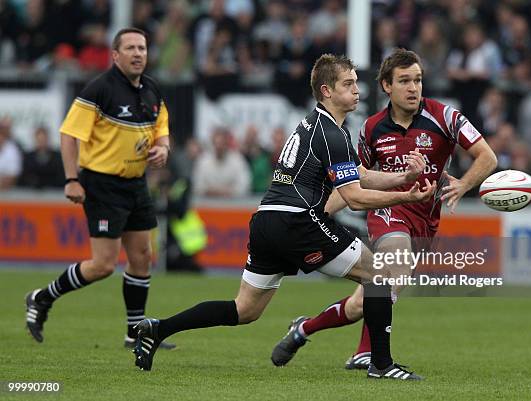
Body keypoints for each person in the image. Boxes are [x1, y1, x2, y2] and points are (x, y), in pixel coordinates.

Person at [132, 54, 436, 381]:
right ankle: (381, 365)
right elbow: (355, 198)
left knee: (244, 310)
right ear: (327, 91)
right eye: (348, 84)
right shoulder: (332, 134)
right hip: (297, 221)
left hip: (266, 220)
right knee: (379, 277)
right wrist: (405, 197)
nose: (357, 91)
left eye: (356, 84)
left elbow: (359, 175)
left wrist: (402, 177)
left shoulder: (316, 125)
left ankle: (159, 328)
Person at [270, 48, 497, 370]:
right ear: (387, 86)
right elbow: (353, 181)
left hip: (426, 219)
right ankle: (373, 358)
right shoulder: (371, 129)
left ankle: (304, 328)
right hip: (389, 214)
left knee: (364, 302)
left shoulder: (445, 117)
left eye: (417, 80)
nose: (413, 88)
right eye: (404, 80)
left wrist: (464, 184)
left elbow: (487, 156)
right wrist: (320, 212)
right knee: (396, 269)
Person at [24, 28, 175, 350]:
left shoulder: (151, 89)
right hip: (102, 183)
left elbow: (162, 129)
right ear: (115, 55)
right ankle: (41, 297)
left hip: (135, 183)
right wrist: (71, 179)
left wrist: (163, 148)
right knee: (103, 265)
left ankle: (134, 333)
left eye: (142, 48)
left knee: (142, 256)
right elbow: (68, 134)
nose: (138, 54)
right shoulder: (100, 89)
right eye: (130, 48)